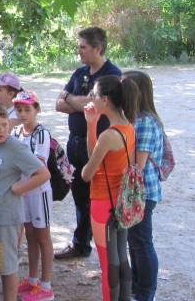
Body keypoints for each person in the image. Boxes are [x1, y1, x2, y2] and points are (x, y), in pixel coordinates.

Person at [55, 27, 122, 259]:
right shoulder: (79, 72)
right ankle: (81, 243)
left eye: (83, 47)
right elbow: (58, 104)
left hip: (96, 143)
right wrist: (80, 101)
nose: (79, 51)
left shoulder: (112, 75)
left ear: (98, 48)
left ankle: (104, 246)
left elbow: (97, 106)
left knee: (99, 196)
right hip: (74, 142)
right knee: (79, 194)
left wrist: (71, 99)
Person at [0, 102, 50, 301]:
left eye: (4, 125)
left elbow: (42, 174)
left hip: (6, 217)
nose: (1, 130)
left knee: (7, 265)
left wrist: (19, 188)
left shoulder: (15, 148)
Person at [80, 75, 139, 301]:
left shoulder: (108, 136)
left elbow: (87, 173)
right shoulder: (128, 127)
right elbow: (98, 159)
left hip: (103, 203)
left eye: (94, 94)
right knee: (120, 256)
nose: (91, 98)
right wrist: (91, 124)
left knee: (107, 263)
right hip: (120, 202)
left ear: (104, 99)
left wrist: (94, 128)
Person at [122, 70, 164, 301]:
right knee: (134, 241)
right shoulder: (135, 119)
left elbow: (137, 164)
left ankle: (146, 292)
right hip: (134, 191)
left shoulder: (145, 122)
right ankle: (138, 286)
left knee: (142, 242)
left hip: (143, 192)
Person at [10, 91, 55, 301]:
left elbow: (39, 164)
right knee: (29, 235)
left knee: (43, 237)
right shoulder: (16, 132)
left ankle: (46, 285)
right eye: (19, 109)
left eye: (27, 109)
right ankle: (33, 279)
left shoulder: (41, 133)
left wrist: (21, 183)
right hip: (23, 191)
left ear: (37, 109)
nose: (22, 114)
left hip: (38, 192)